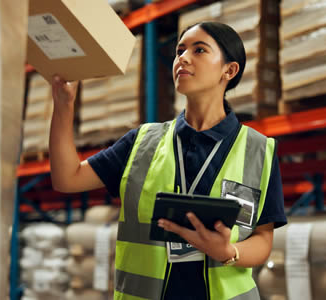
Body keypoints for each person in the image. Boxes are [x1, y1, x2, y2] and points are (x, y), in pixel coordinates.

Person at [49, 21, 286, 300]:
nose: (182, 58)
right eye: (179, 50)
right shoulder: (142, 142)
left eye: (199, 50)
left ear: (229, 70)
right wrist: (63, 107)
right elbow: (67, 178)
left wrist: (229, 252)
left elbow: (263, 239)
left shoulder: (258, 150)